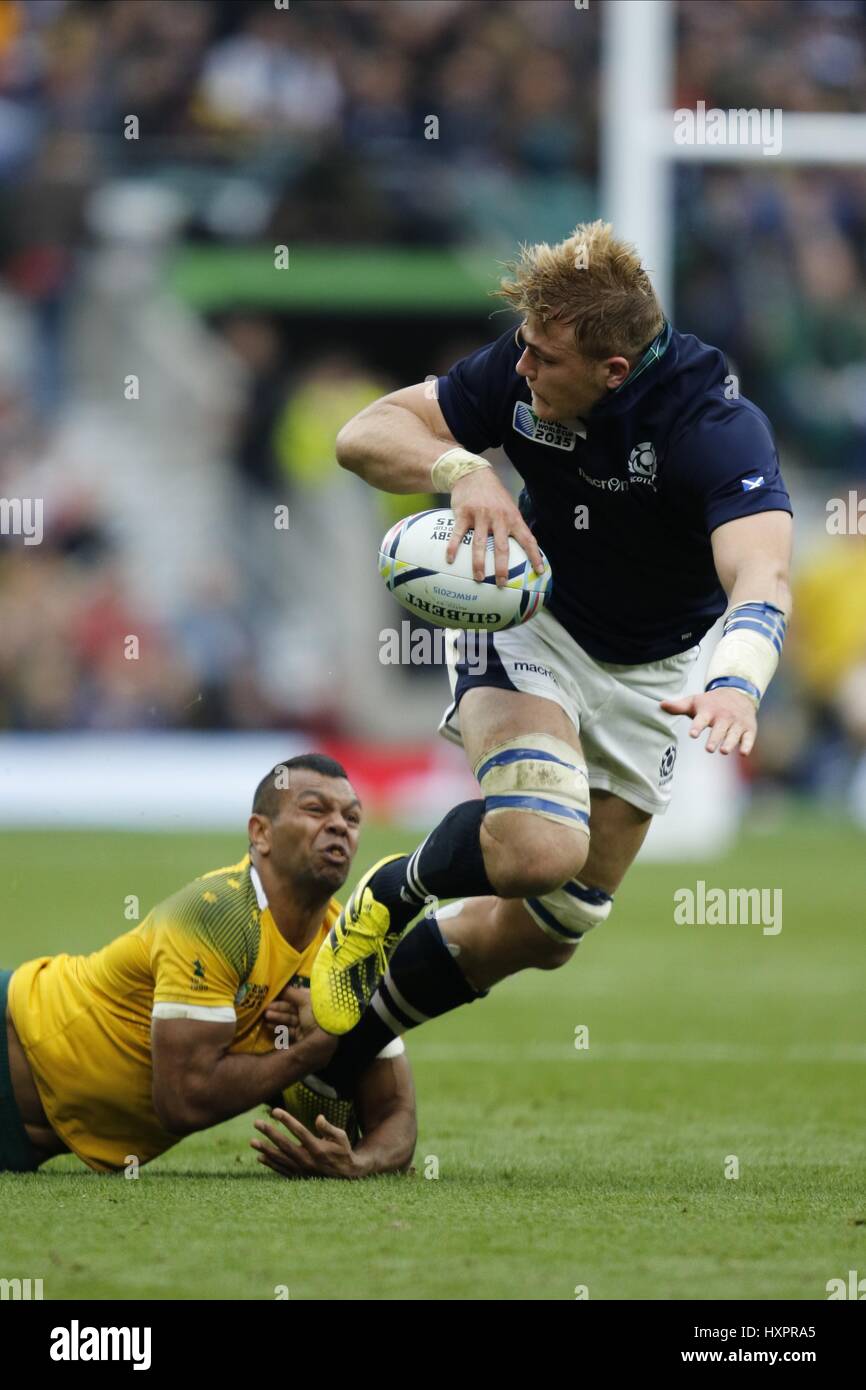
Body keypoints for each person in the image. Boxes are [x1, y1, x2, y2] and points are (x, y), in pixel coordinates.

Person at [308, 220, 793, 1091]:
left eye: (544, 360)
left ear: (614, 370)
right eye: (522, 349)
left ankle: (333, 1062)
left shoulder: (715, 427)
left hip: (657, 676)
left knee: (550, 928)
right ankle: (391, 892)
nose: (522, 370)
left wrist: (736, 683)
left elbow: (763, 574)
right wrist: (462, 468)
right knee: (539, 849)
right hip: (535, 626)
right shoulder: (523, 367)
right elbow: (363, 436)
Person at [1, 755, 415, 1178]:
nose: (339, 826)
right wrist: (311, 1050)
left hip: (27, 1139)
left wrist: (357, 1162)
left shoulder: (345, 948)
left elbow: (396, 1111)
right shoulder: (214, 916)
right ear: (261, 833)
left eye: (352, 817)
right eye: (314, 809)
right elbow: (181, 1100)